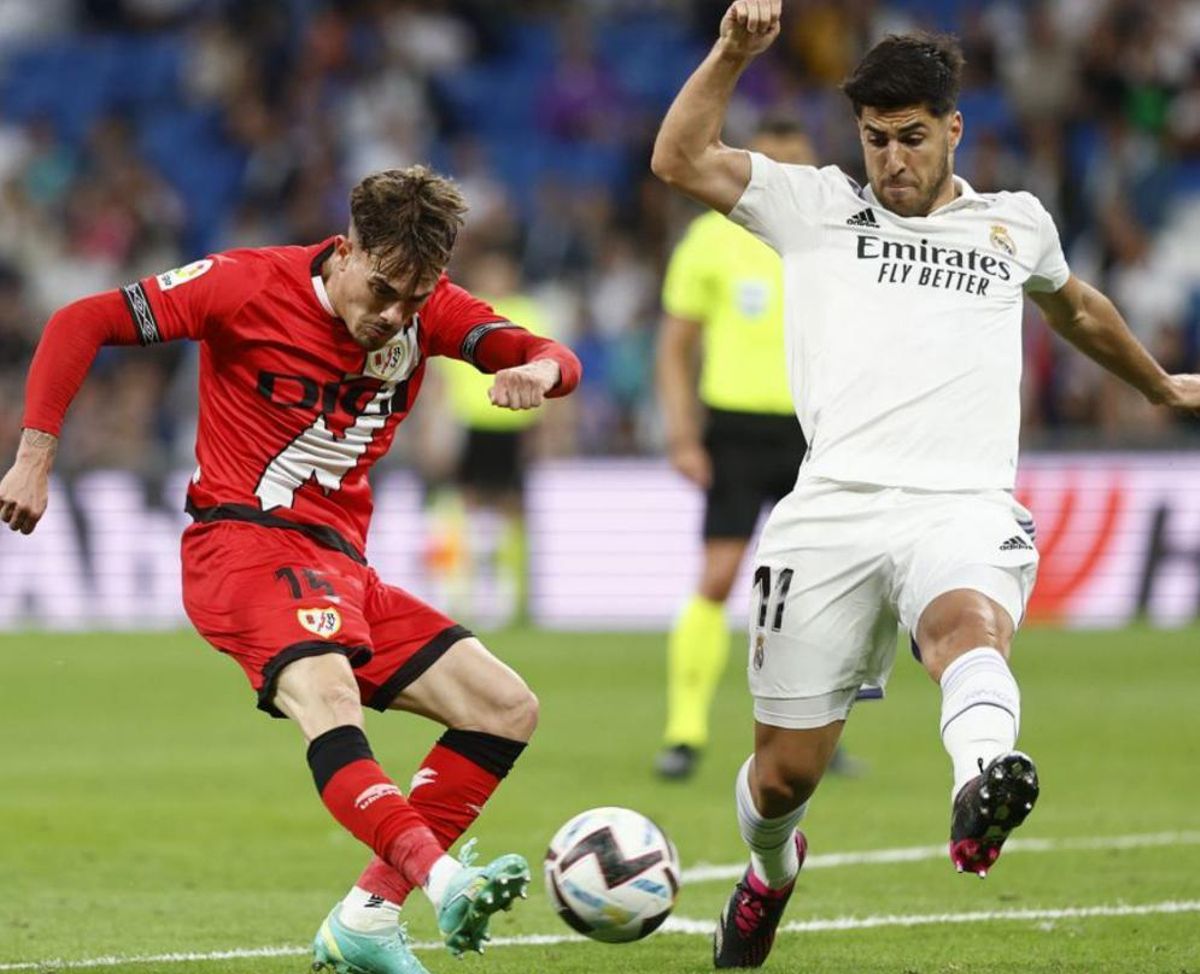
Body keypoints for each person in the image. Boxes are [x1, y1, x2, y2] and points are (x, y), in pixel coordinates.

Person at [650, 3, 1200, 968]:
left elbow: (1075, 305)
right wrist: (734, 51)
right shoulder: (812, 204)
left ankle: (982, 782)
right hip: (831, 511)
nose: (891, 159)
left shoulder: (1012, 223)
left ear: (953, 129)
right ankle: (770, 873)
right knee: (781, 780)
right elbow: (679, 158)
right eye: (874, 139)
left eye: (911, 138)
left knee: (967, 629)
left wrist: (1155, 382)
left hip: (964, 504)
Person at [0, 165, 582, 974]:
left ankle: (369, 918)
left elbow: (548, 351)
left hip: (342, 566)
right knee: (330, 695)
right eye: (382, 291)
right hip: (241, 548)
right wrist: (35, 458)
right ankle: (443, 879)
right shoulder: (244, 285)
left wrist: (538, 373)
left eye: (415, 300)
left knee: (504, 708)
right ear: (344, 253)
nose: (394, 318)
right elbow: (80, 320)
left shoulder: (427, 311)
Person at [655, 114, 861, 781]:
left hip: (817, 429)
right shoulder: (710, 241)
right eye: (767, 164)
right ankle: (684, 732)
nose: (779, 178)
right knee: (718, 577)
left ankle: (818, 734)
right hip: (737, 429)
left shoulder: (835, 238)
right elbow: (676, 347)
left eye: (793, 164)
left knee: (819, 591)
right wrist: (684, 433)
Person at [428, 249, 553, 628]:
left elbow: (547, 366)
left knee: (514, 509)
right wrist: (437, 426)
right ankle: (459, 591)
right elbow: (441, 378)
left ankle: (516, 595)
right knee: (465, 505)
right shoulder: (468, 313)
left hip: (516, 426)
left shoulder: (527, 313)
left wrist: (548, 428)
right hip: (473, 422)